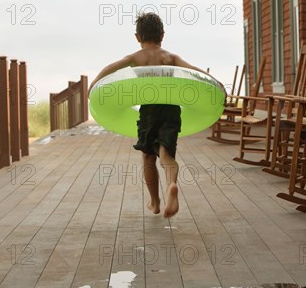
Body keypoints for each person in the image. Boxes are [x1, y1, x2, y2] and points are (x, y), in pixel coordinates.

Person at [89, 12, 222, 218]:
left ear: (137, 37)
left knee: (148, 157)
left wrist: (94, 84)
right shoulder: (170, 57)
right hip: (171, 109)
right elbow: (194, 71)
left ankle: (154, 201)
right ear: (162, 35)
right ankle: (171, 185)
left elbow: (110, 69)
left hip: (149, 111)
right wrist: (215, 82)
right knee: (166, 154)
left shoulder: (136, 57)